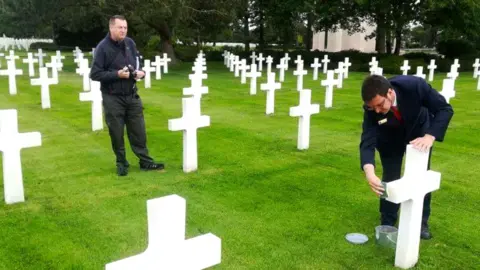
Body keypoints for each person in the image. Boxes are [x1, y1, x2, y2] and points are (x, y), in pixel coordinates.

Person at [359, 75, 454, 239]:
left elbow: (445, 109)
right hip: (389, 138)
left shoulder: (414, 86)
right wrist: (369, 171)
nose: (377, 111)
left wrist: (430, 136)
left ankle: (421, 222)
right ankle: (387, 220)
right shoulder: (372, 109)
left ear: (389, 93)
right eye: (372, 107)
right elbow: (367, 139)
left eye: (380, 105)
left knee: (421, 177)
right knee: (390, 176)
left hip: (420, 135)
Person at [90, 15, 164, 176]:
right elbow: (95, 74)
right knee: (116, 132)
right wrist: (117, 74)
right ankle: (121, 162)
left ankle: (145, 161)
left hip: (131, 95)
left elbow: (138, 64)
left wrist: (141, 73)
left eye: (125, 27)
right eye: (120, 27)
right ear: (111, 28)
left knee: (139, 131)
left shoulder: (130, 43)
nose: (123, 30)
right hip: (112, 97)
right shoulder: (103, 47)